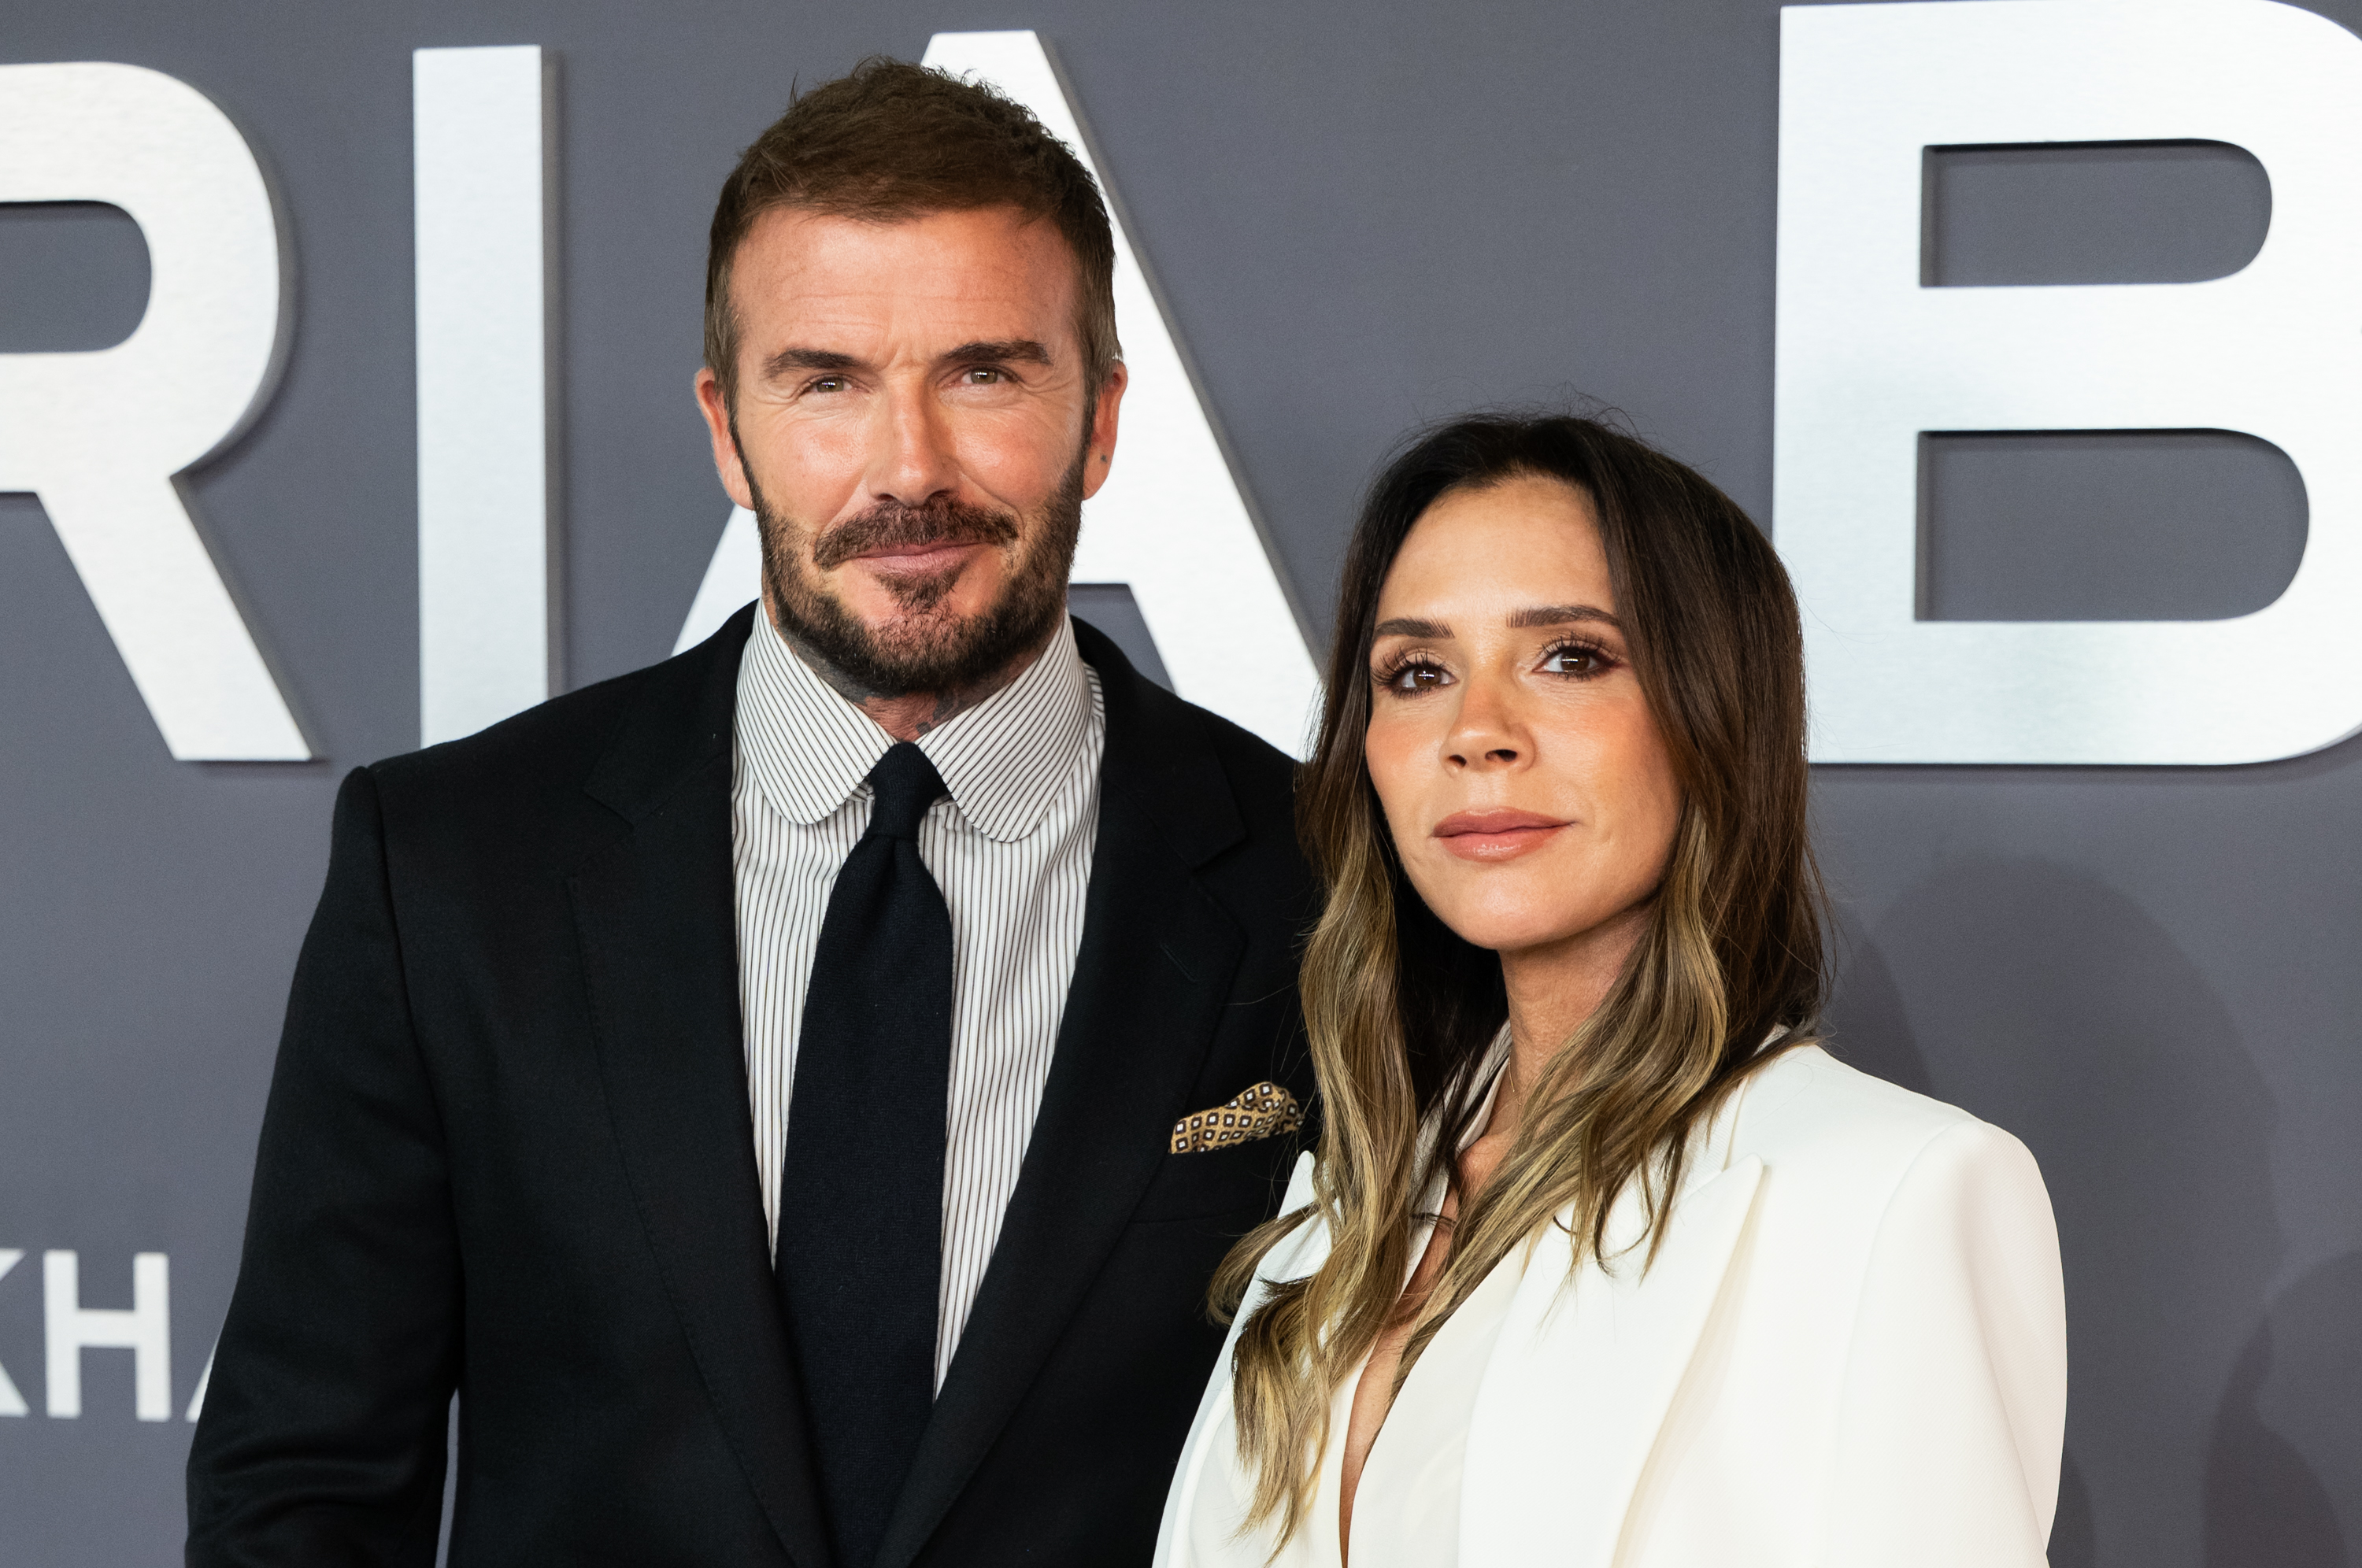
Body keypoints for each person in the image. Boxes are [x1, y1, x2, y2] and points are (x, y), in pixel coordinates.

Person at [187, 61, 1316, 1568]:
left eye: (985, 372)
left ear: (1099, 420)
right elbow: (300, 1484)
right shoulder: (452, 868)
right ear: (730, 428)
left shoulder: (1323, 880)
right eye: (827, 379)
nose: (909, 468)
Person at [1156, 413, 2066, 1567]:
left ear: (1712, 716)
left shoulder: (1892, 1191)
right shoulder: (1341, 1209)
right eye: (1418, 672)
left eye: (1571, 657)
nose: (1477, 732)